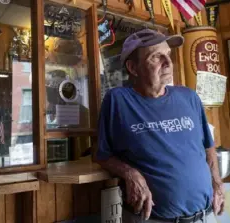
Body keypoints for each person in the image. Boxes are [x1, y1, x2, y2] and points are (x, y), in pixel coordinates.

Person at [96, 29, 225, 223]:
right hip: (153, 219)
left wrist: (216, 184)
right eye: (156, 57)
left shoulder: (188, 97)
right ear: (133, 68)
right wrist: (130, 174)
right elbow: (102, 155)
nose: (168, 62)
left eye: (168, 55)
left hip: (205, 216)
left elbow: (208, 146)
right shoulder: (118, 101)